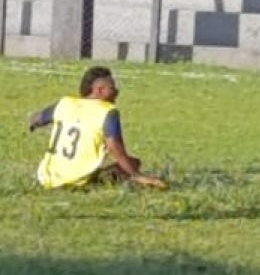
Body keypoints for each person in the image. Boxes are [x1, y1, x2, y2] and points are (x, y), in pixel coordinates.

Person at [28, 66, 167, 190]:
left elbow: (37, 118)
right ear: (99, 90)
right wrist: (138, 176)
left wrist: (33, 124)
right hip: (77, 180)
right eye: (112, 88)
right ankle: (95, 183)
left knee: (126, 164)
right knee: (132, 163)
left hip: (47, 177)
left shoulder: (65, 103)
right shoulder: (107, 111)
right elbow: (114, 148)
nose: (117, 92)